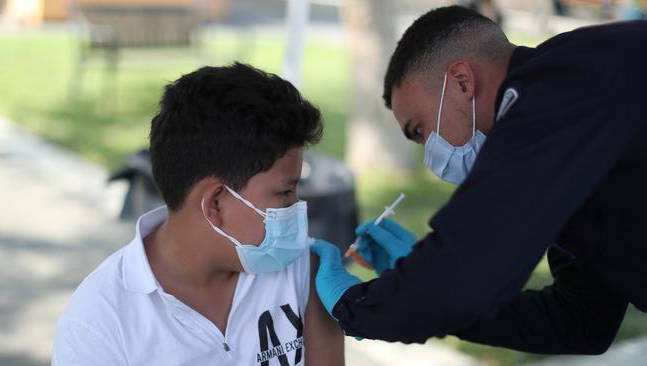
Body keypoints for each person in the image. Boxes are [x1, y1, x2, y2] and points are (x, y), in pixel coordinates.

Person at [311, 6, 647, 355]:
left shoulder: (558, 91)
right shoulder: (564, 122)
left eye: (420, 130)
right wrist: (429, 288)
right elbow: (579, 321)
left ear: (461, 81)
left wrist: (356, 303)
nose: (430, 154)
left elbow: (468, 275)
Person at [52, 63, 344, 365]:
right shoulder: (99, 324)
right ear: (215, 204)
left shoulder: (302, 270)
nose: (297, 208)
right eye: (284, 193)